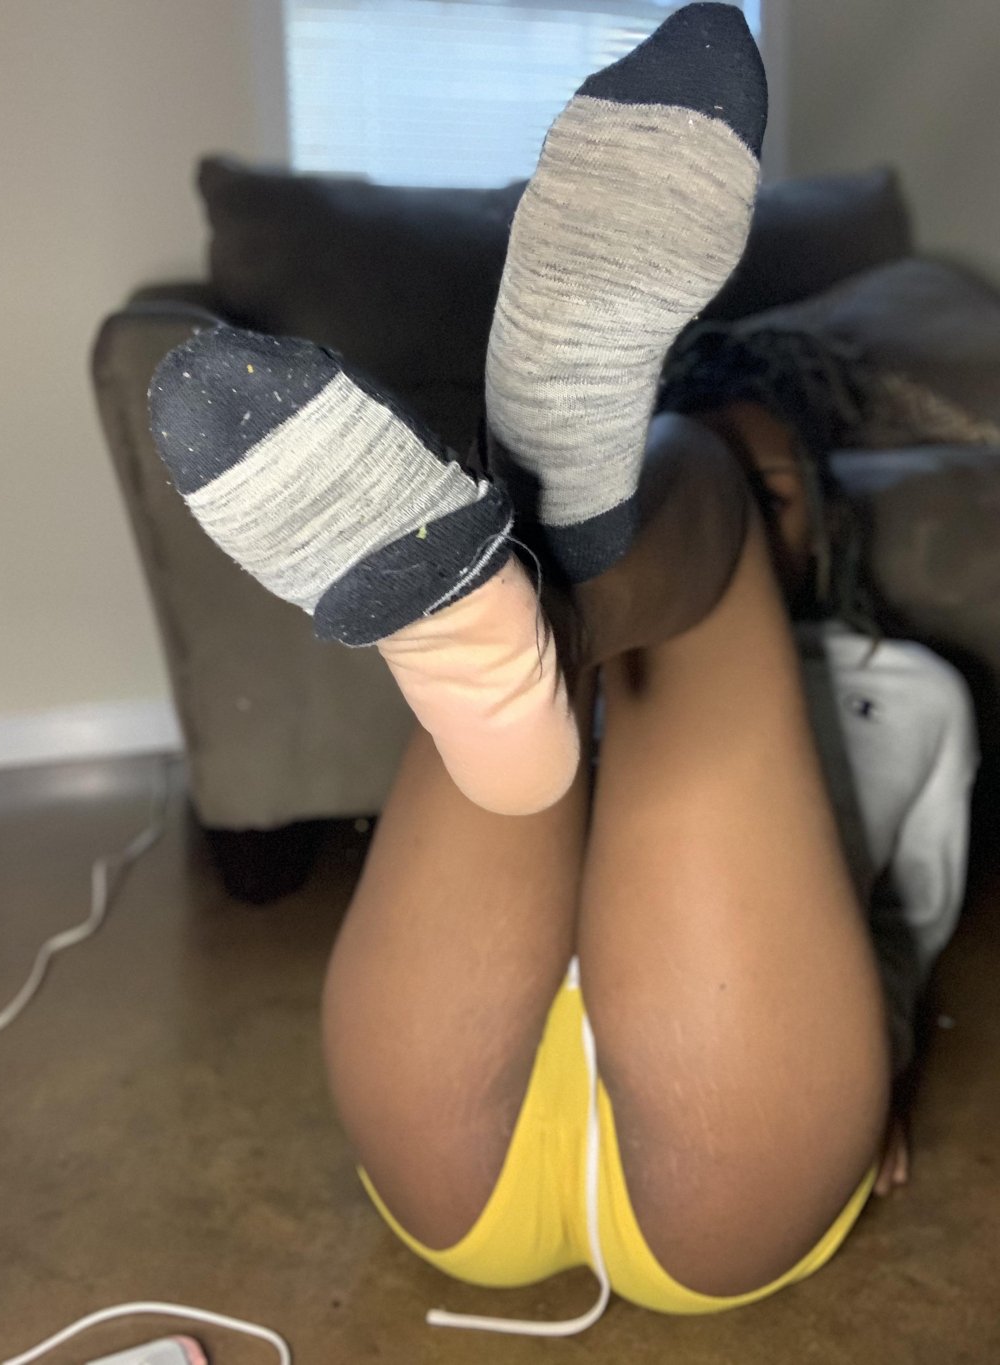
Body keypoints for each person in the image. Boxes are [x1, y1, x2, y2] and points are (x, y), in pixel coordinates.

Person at [147, 3, 976, 1334]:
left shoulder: (917, 692)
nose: (773, 510)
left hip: (737, 1125)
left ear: (825, 533)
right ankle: (571, 537)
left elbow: (914, 917)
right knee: (616, 539)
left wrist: (880, 1077)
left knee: (667, 479)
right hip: (464, 1093)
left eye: (782, 494)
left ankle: (562, 520)